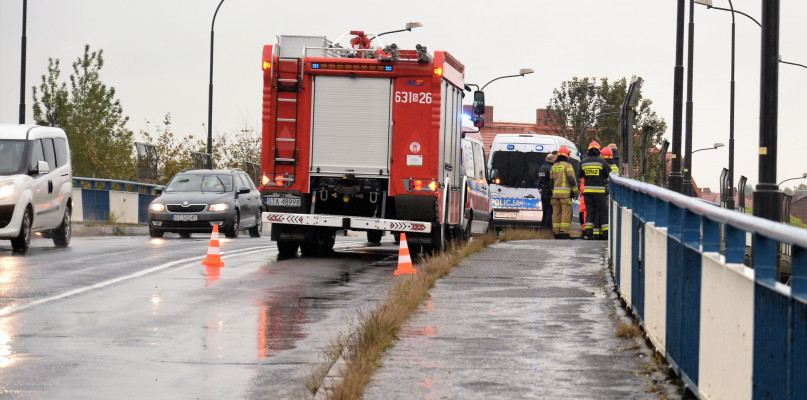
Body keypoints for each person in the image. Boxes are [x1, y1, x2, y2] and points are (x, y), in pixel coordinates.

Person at [578, 141, 611, 240]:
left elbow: (580, 175)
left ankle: (588, 232)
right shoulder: (602, 162)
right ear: (598, 150)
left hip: (587, 192)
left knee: (590, 212)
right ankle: (605, 233)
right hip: (600, 192)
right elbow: (609, 174)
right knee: (603, 212)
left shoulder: (583, 162)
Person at [550, 146, 579, 239]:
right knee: (566, 213)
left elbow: (551, 182)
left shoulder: (553, 166)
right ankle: (564, 232)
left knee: (556, 214)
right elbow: (571, 179)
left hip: (555, 195)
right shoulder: (567, 165)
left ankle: (556, 232)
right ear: (567, 155)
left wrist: (553, 192)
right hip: (565, 196)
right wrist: (575, 192)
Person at [537, 153, 556, 231]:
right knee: (549, 211)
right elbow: (551, 181)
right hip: (549, 192)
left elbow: (540, 180)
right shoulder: (551, 168)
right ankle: (548, 229)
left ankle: (543, 228)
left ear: (545, 159)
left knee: (544, 212)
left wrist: (540, 187)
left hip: (543, 192)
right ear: (552, 159)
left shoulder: (542, 168)